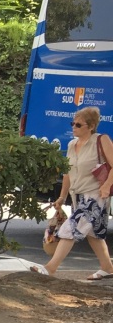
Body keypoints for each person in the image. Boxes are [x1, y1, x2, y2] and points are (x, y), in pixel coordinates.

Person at [33, 105, 113, 279]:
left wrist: (106, 185)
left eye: (78, 125)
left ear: (91, 127)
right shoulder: (71, 144)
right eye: (73, 123)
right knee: (94, 234)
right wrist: (62, 196)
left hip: (96, 195)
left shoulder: (101, 140)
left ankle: (50, 268)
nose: (73, 127)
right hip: (78, 195)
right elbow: (67, 173)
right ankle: (107, 268)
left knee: (70, 229)